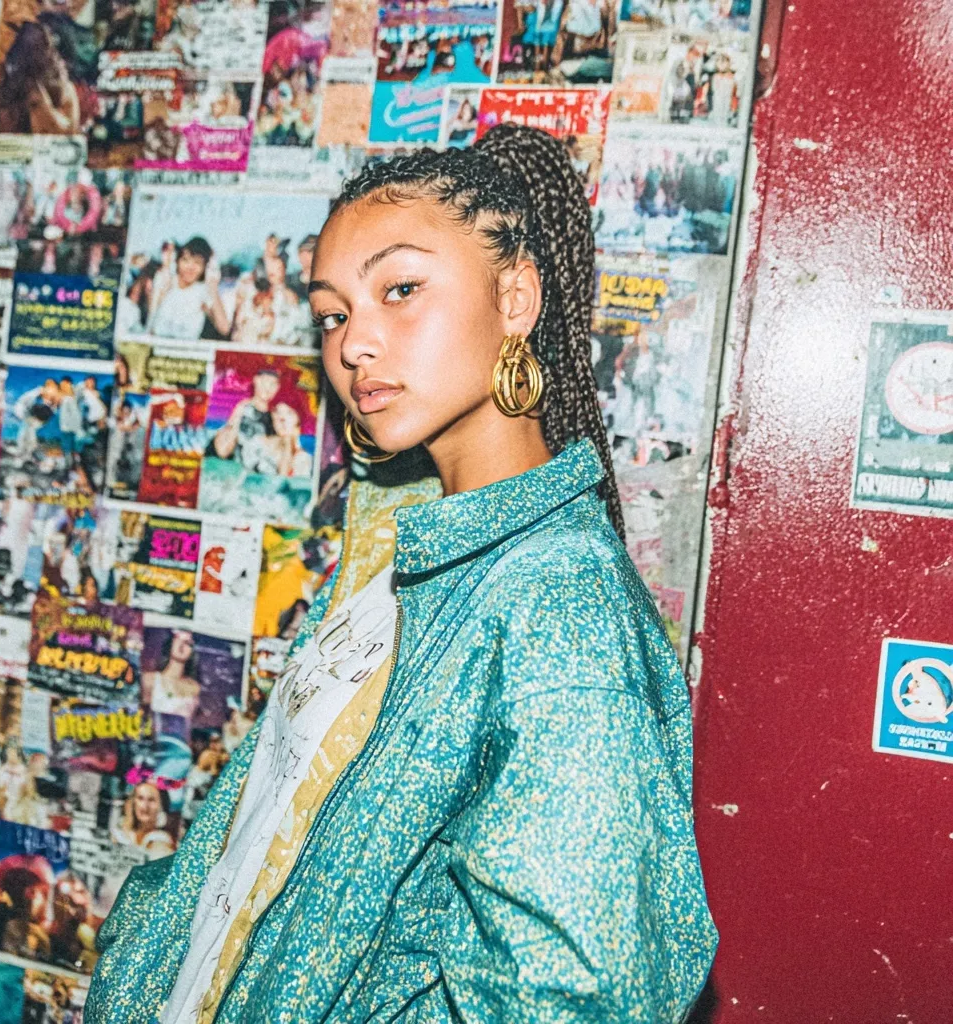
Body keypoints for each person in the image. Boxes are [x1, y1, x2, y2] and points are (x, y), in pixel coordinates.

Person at [86, 124, 715, 1023]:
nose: (353, 344)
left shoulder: (558, 600)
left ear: (516, 298)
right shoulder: (398, 540)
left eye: (401, 289)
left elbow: (569, 998)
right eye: (333, 314)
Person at [147, 237, 231, 341]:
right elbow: (151, 314)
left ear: (205, 267)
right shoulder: (167, 281)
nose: (190, 267)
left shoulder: (202, 291)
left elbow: (224, 328)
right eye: (185, 260)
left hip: (186, 348)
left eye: (197, 263)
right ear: (177, 261)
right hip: (158, 345)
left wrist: (213, 288)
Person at [210, 367, 279, 462]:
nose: (267, 388)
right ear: (256, 380)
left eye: (273, 384)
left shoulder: (278, 418)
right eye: (264, 381)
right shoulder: (238, 406)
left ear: (278, 387)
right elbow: (222, 450)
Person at [111, 781, 177, 858]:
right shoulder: (122, 835)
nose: (145, 806)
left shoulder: (161, 840)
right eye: (140, 798)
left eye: (151, 800)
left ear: (161, 806)